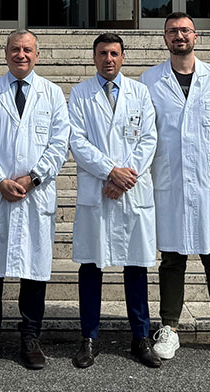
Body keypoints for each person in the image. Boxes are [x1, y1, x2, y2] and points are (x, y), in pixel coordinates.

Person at [139, 12, 210, 363]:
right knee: (172, 259)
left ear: (195, 36)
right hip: (170, 182)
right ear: (164, 38)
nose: (179, 36)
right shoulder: (150, 81)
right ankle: (169, 328)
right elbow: (142, 131)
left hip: (208, 184)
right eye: (172, 31)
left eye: (185, 30)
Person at [0, 29, 70, 370]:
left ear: (37, 55)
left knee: (34, 272)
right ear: (6, 53)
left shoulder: (52, 94)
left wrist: (33, 177)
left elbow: (59, 144)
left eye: (27, 50)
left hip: (35, 196)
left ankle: (30, 338)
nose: (21, 55)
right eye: (15, 49)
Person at [67, 33, 161, 369]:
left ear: (123, 57)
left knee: (136, 267)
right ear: (94, 57)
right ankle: (89, 338)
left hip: (131, 190)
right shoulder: (80, 94)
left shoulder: (140, 92)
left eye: (114, 53)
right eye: (103, 53)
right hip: (98, 188)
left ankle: (141, 337)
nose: (109, 59)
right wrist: (110, 172)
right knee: (91, 266)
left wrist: (124, 178)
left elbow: (148, 138)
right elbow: (77, 141)